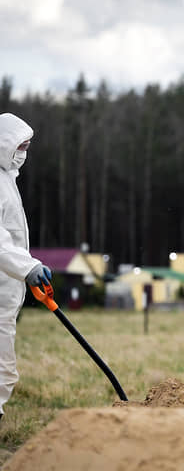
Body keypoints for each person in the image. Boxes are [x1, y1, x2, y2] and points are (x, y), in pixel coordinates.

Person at [0, 113, 53, 419]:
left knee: (5, 373)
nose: (24, 154)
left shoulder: (8, 180)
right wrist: (28, 267)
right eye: (21, 146)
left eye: (28, 148)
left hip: (7, 298)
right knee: (3, 373)